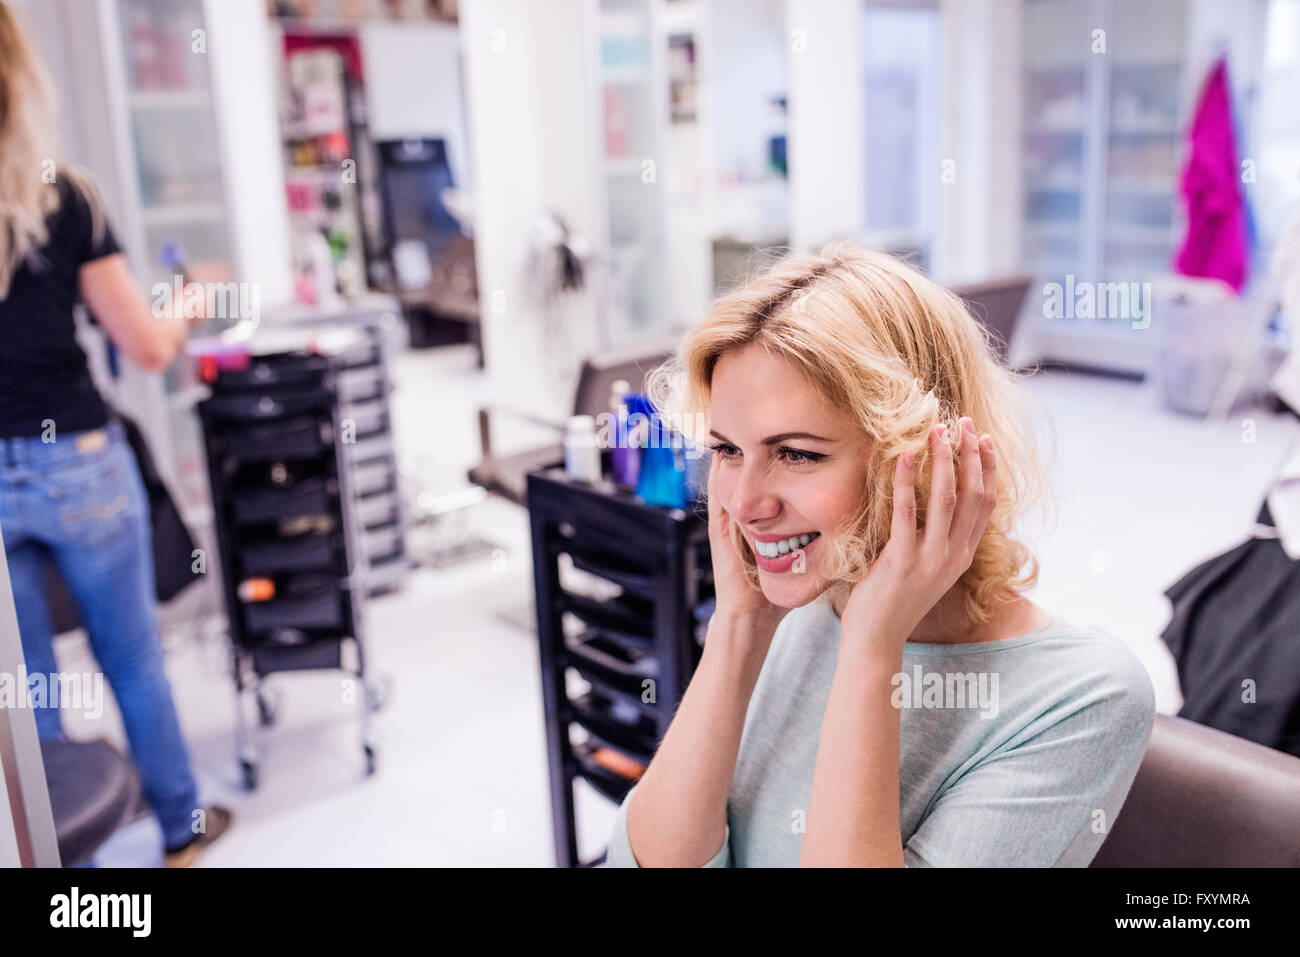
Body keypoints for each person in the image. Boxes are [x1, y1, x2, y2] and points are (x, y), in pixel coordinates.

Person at [607, 241, 1155, 867]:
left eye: (797, 453)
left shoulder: (1085, 696)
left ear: (922, 463)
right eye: (728, 449)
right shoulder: (804, 603)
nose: (743, 503)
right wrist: (738, 627)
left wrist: (872, 649)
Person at [0, 2, 230, 867]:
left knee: (22, 693)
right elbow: (142, 345)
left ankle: (66, 858)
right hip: (80, 464)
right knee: (132, 657)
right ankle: (179, 830)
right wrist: (187, 307)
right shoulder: (62, 194)